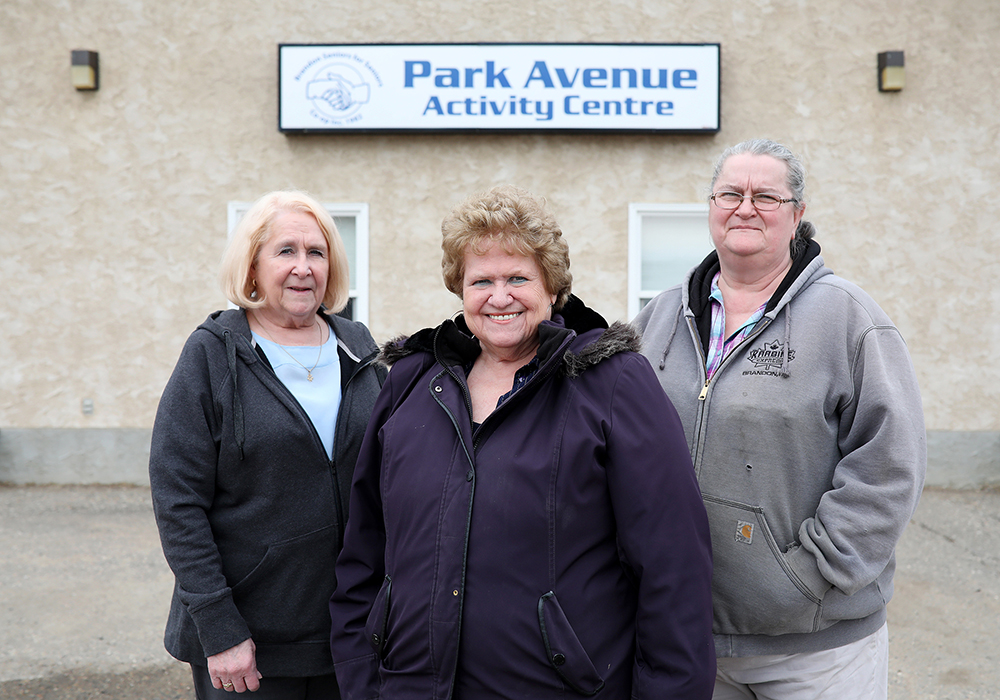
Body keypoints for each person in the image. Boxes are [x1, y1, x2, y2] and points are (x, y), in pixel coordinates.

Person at [329, 185, 715, 699]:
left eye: (518, 278)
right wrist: (362, 680)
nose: (499, 296)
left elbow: (673, 567)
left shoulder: (612, 384)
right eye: (481, 280)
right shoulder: (412, 385)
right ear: (460, 291)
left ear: (553, 288)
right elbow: (363, 549)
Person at [633, 139, 926, 700]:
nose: (746, 207)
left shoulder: (849, 318)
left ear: (797, 214)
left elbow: (891, 461)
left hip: (815, 646)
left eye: (766, 195)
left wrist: (812, 576)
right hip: (689, 635)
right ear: (711, 207)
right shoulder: (662, 316)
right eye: (731, 193)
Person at [149, 190, 386, 698]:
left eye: (316, 253)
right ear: (253, 266)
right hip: (247, 638)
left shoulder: (360, 350)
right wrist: (219, 627)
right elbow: (178, 501)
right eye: (286, 251)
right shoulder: (212, 354)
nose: (303, 267)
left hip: (348, 630)